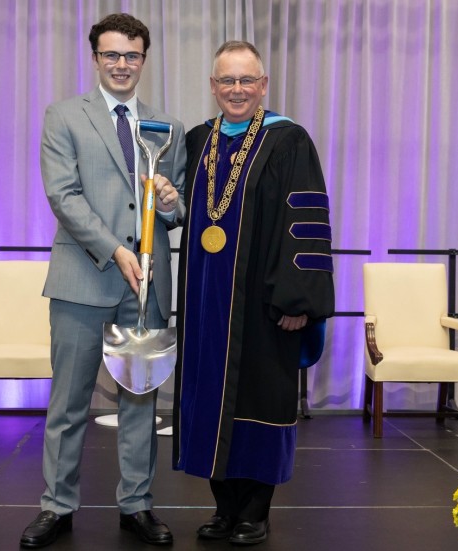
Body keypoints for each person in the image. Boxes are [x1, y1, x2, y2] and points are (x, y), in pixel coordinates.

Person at [20, 13, 186, 549]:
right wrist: (115, 250)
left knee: (140, 402)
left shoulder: (167, 126)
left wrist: (170, 201)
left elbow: (177, 210)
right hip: (82, 281)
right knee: (68, 403)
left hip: (146, 289)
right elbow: (63, 196)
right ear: (95, 58)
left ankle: (136, 505)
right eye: (111, 54)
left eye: (132, 55)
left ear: (144, 59)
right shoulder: (64, 116)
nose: (121, 64)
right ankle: (57, 506)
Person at [173, 40, 335, 546]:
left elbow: (305, 223)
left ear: (263, 85)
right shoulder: (199, 140)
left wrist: (296, 301)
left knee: (261, 401)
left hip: (266, 305)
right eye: (227, 80)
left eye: (247, 80)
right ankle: (223, 508)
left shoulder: (288, 140)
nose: (237, 90)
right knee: (209, 402)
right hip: (206, 302)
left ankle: (255, 512)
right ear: (214, 86)